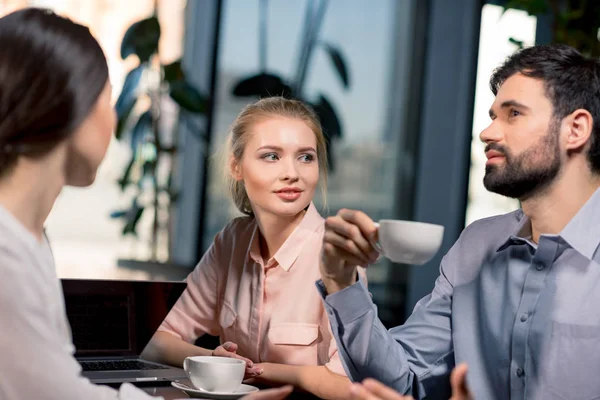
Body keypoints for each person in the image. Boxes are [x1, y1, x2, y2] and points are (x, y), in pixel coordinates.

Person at [0, 7, 293, 400]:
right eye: (106, 98)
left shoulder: (28, 238)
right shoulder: (7, 255)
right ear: (65, 107)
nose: (113, 118)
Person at [318, 43, 600, 400]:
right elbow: (401, 380)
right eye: (493, 115)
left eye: (513, 114)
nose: (487, 132)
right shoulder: (476, 246)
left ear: (575, 129)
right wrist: (341, 284)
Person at [142, 97, 363, 399]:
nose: (292, 173)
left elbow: (350, 385)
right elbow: (157, 338)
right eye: (271, 156)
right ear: (237, 166)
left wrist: (259, 371)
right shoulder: (231, 241)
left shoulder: (338, 256)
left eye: (306, 157)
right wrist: (213, 360)